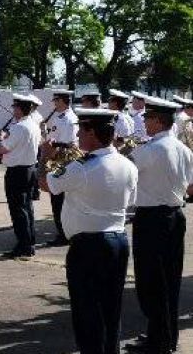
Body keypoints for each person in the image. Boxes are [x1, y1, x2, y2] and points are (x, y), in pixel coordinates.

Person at [40, 108, 137, 354]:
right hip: (118, 241)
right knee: (111, 308)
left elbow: (45, 184)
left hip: (88, 246)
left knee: (87, 311)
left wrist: (45, 156)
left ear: (91, 132)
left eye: (80, 131)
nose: (77, 136)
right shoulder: (127, 164)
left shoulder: (81, 166)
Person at [126, 96, 193, 354]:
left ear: (157, 120)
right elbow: (190, 185)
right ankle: (166, 336)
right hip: (175, 215)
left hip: (152, 219)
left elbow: (126, 173)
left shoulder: (149, 150)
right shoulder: (183, 149)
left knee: (150, 282)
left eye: (147, 118)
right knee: (170, 280)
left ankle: (159, 341)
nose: (144, 122)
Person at [0, 94, 41, 257]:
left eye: (15, 107)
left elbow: (3, 149)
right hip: (29, 169)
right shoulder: (32, 124)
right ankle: (30, 242)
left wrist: (0, 138)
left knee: (18, 209)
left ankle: (24, 245)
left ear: (20, 108)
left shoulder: (19, 127)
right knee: (27, 207)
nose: (13, 110)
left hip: (18, 171)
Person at [41, 89, 78, 246]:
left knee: (59, 200)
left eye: (56, 100)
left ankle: (64, 234)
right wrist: (44, 132)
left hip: (61, 159)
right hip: (57, 157)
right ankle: (63, 232)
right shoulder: (60, 117)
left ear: (62, 101)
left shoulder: (68, 119)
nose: (54, 104)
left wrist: (50, 152)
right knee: (57, 199)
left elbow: (66, 144)